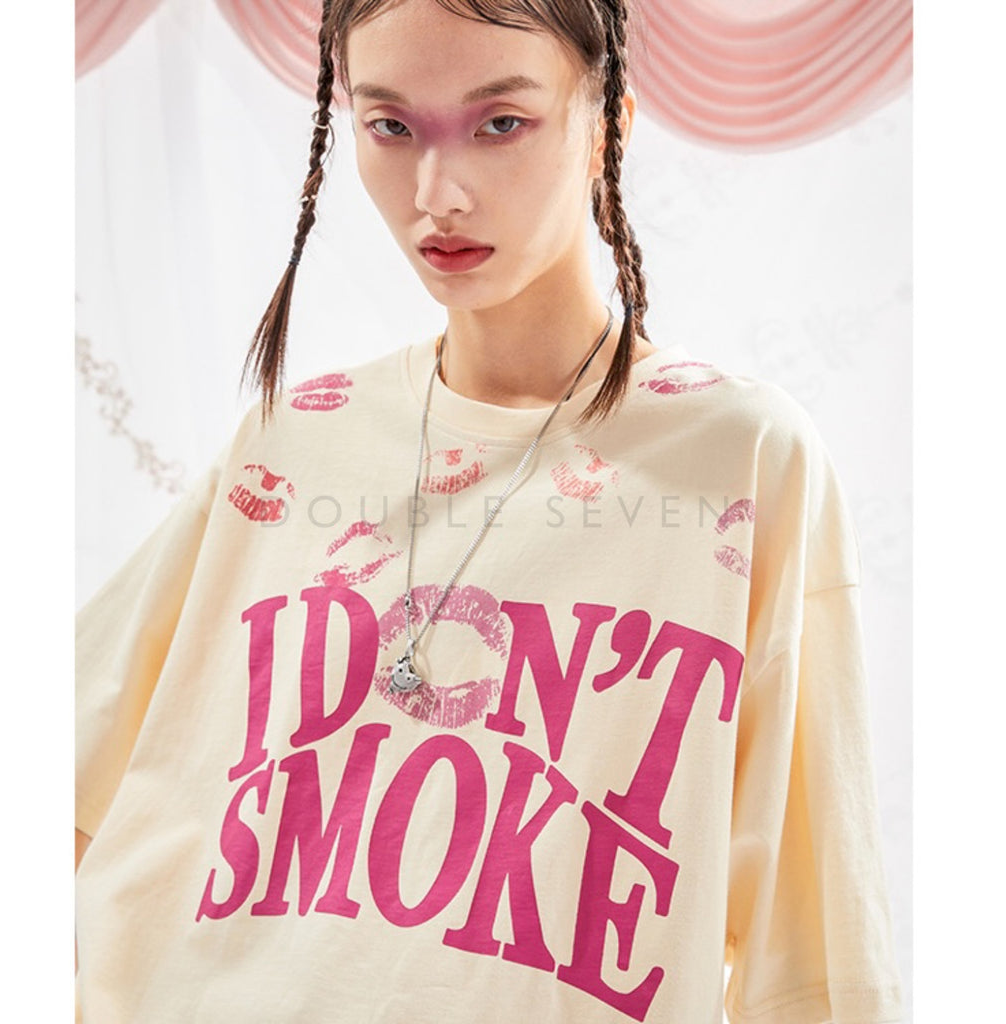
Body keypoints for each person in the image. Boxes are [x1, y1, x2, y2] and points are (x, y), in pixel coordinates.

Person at [75, 1, 904, 1021]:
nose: (438, 193)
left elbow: (815, 955)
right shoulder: (293, 444)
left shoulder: (740, 461)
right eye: (391, 126)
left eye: (499, 122)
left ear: (607, 124)